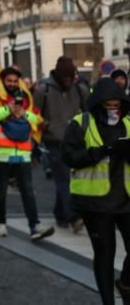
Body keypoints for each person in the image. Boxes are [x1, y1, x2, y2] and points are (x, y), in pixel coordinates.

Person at [62, 77, 130, 304]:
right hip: (94, 203)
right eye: (108, 105)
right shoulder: (80, 123)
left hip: (126, 199)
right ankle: (108, 301)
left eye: (117, 105)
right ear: (98, 104)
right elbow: (69, 157)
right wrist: (101, 151)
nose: (113, 109)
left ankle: (126, 283)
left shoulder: (129, 122)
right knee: (105, 254)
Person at [0, 67, 54, 241]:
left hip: (23, 152)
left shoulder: (25, 99)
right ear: (2, 81)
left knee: (28, 189)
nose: (12, 84)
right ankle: (1, 223)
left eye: (15, 81)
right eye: (9, 81)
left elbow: (38, 120)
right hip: (0, 152)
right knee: (1, 189)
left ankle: (35, 226)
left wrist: (24, 113)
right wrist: (8, 109)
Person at [35, 56, 90, 232]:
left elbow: (89, 113)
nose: (68, 80)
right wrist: (48, 126)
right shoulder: (43, 90)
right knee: (64, 179)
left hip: (75, 142)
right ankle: (73, 216)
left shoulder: (81, 90)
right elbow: (34, 116)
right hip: (53, 141)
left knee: (68, 179)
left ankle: (60, 213)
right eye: (64, 76)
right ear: (58, 74)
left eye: (71, 76)